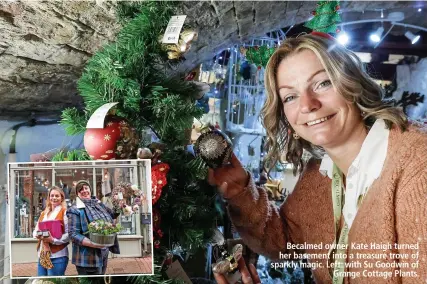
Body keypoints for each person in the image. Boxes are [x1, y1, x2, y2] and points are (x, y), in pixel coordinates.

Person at [209, 33, 427, 283]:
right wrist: (241, 192)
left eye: (323, 83)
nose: (308, 105)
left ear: (352, 85)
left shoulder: (417, 164)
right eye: (290, 96)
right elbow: (285, 241)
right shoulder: (317, 176)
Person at [67, 180, 120, 275]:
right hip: (87, 258)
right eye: (80, 190)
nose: (84, 191)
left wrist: (117, 203)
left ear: (90, 190)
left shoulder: (98, 204)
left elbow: (113, 214)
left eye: (86, 188)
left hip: (103, 253)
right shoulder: (74, 209)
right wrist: (94, 244)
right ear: (77, 194)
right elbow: (73, 234)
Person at [32, 186, 69, 276]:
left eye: (57, 196)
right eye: (52, 195)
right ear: (49, 197)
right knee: (42, 282)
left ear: (62, 198)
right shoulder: (44, 213)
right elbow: (35, 230)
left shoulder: (65, 212)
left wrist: (52, 240)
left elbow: (69, 235)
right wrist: (38, 235)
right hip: (42, 254)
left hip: (57, 256)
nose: (54, 198)